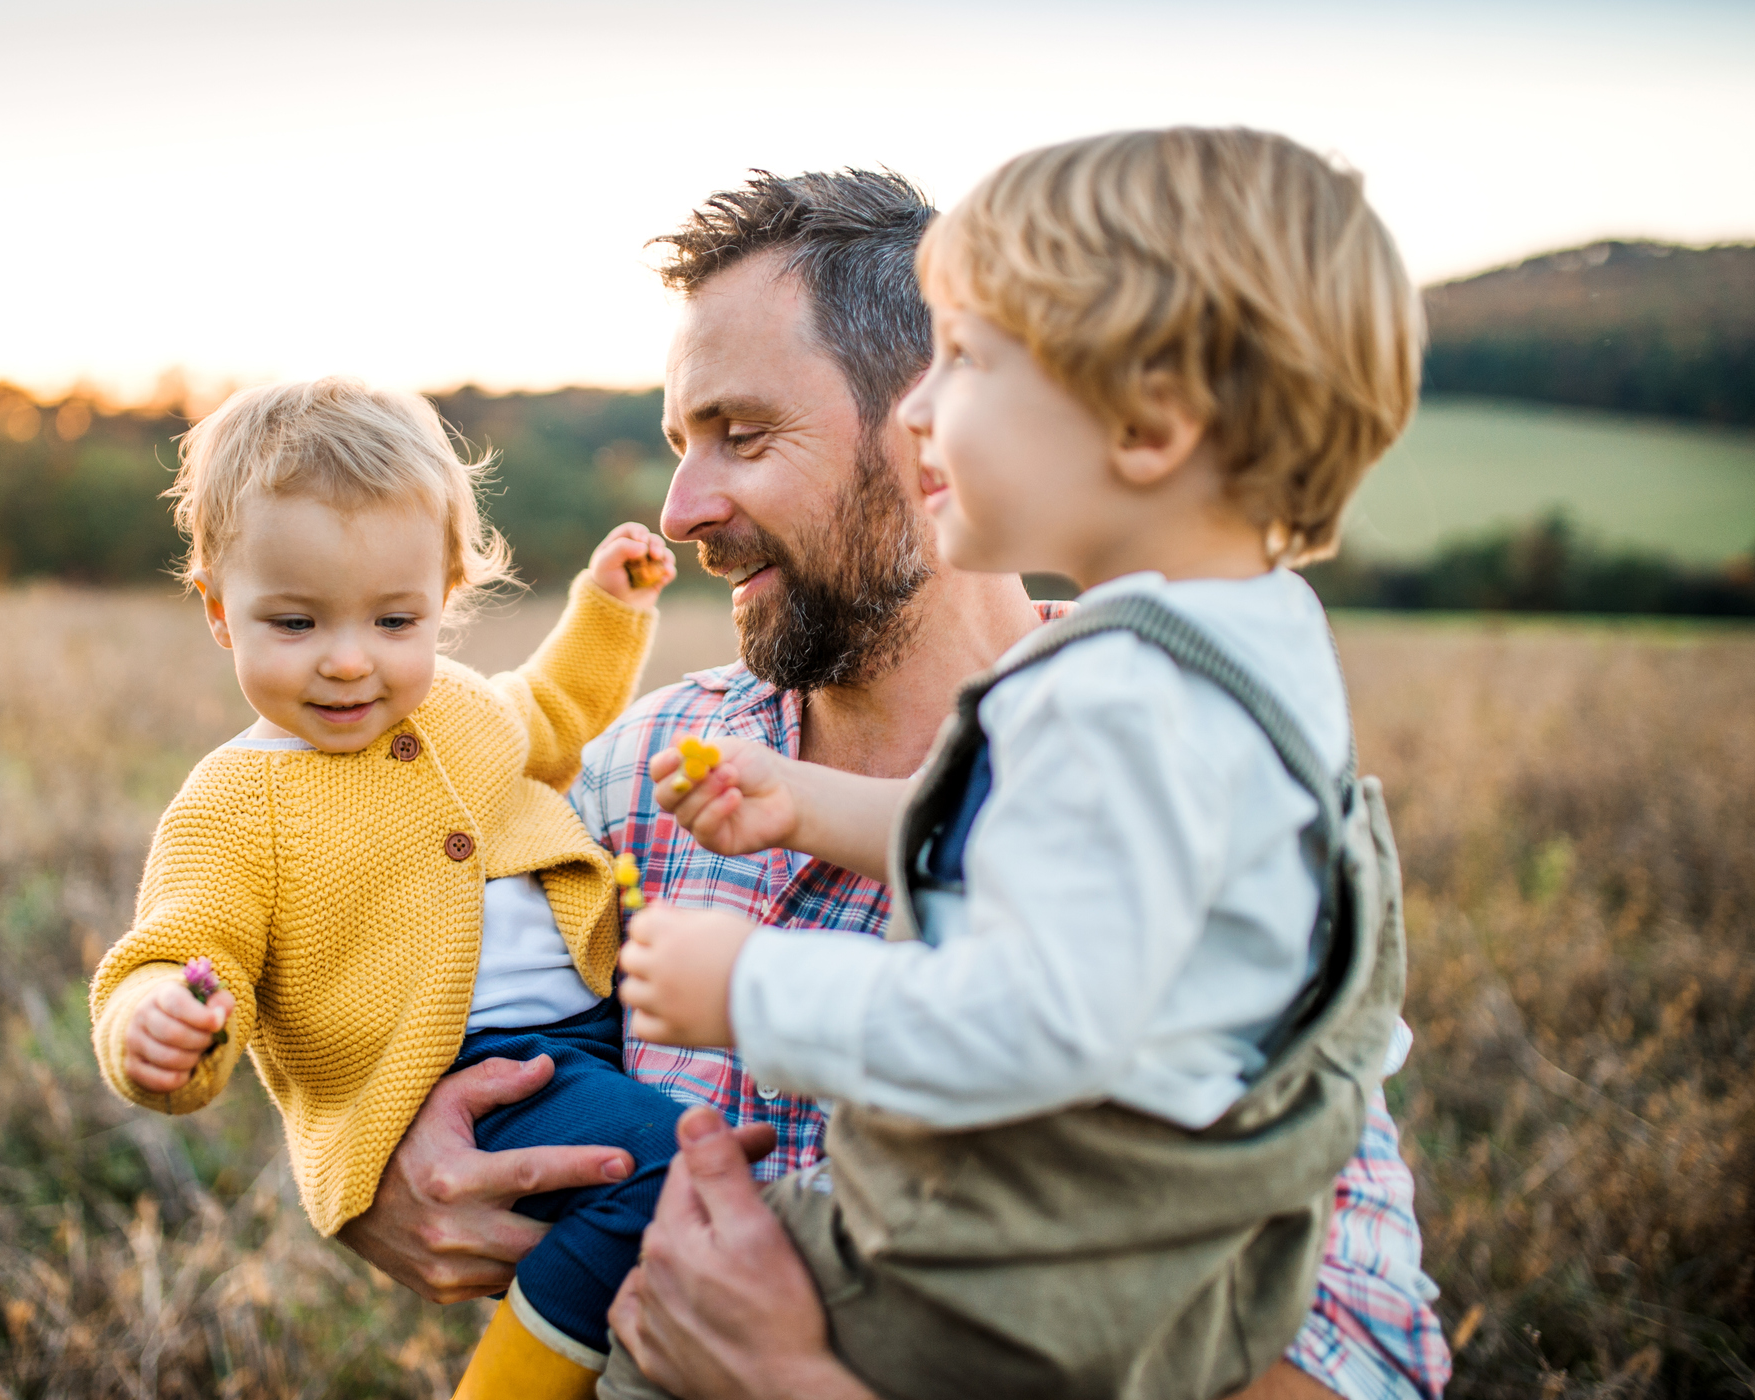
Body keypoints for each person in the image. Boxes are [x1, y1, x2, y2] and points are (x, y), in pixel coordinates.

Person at [337, 171, 1454, 1400]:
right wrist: (371, 1171)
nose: (683, 509)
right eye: (679, 446)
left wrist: (790, 1381)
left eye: (742, 434)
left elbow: (1358, 1354)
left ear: (924, 424)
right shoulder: (638, 776)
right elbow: (405, 981)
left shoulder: (1194, 774)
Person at [86, 376, 689, 1399]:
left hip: (591, 1031)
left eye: (394, 619)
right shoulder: (237, 798)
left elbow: (550, 709)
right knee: (666, 1162)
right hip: (468, 1069)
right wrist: (157, 1024)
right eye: (294, 622)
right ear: (218, 610)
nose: (349, 661)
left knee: (683, 1169)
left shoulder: (458, 707)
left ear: (445, 595)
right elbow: (181, 945)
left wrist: (608, 607)